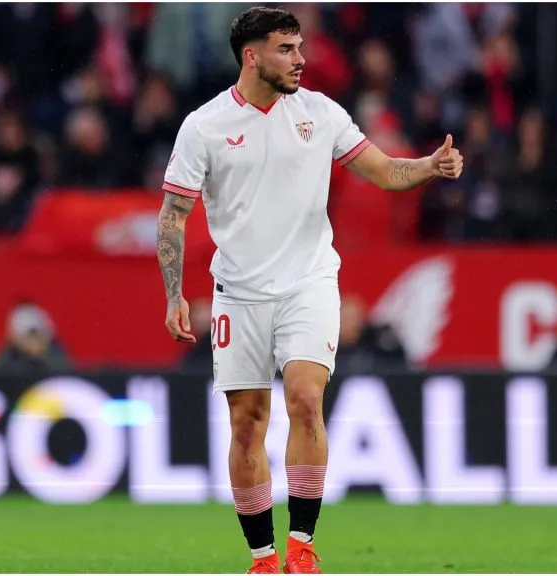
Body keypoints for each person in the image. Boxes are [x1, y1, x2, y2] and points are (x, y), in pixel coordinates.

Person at [154, 7, 463, 574]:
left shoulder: (320, 113)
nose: (301, 59)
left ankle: (301, 548)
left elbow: (385, 171)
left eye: (300, 47)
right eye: (286, 49)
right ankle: (263, 557)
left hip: (309, 282)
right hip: (239, 291)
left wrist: (430, 165)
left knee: (304, 397)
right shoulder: (204, 126)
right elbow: (173, 215)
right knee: (247, 421)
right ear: (252, 56)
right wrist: (174, 293)